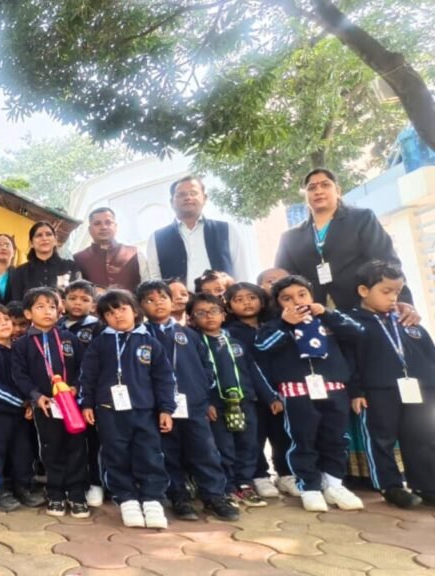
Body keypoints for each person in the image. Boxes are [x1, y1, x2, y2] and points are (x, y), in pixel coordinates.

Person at [255, 275, 365, 512]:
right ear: (278, 303)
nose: (296, 301)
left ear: (311, 296)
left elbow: (357, 333)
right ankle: (310, 487)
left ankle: (334, 484)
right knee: (303, 439)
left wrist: (326, 313)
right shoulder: (274, 326)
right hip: (297, 391)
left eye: (301, 295)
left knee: (336, 438)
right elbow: (263, 347)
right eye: (287, 298)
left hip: (333, 387)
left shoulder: (328, 320)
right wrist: (286, 324)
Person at [137, 281, 238, 522]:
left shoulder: (191, 335)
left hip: (192, 404)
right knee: (167, 452)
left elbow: (207, 366)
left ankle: (214, 496)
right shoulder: (140, 336)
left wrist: (204, 396)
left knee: (204, 451)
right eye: (149, 300)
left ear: (172, 302)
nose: (158, 303)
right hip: (158, 408)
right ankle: (178, 496)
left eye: (162, 297)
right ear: (140, 307)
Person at [78, 290, 173, 529]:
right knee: (115, 454)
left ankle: (152, 499)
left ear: (135, 310)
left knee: (149, 454)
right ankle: (127, 499)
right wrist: (87, 403)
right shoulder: (100, 344)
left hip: (144, 410)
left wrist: (166, 408)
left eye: (122, 309)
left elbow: (164, 378)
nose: (117, 316)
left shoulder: (150, 342)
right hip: (109, 411)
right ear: (103, 319)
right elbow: (87, 376)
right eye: (110, 313)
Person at [275, 168, 420, 324]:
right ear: (306, 196)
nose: (318, 191)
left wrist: (402, 299)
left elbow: (386, 262)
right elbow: (282, 281)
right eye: (312, 187)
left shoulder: (361, 219)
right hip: (316, 318)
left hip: (364, 309)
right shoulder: (290, 238)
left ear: (338, 191)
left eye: (325, 185)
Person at [348, 261, 435, 509]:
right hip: (378, 390)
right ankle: (390, 486)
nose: (392, 297)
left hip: (421, 390)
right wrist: (356, 391)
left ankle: (426, 484)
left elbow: (429, 353)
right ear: (364, 290)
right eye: (385, 291)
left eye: (396, 292)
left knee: (423, 436)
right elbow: (350, 360)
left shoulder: (407, 319)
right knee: (381, 439)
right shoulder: (352, 322)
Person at [188, 293, 284, 508]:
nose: (209, 317)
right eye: (201, 313)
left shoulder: (236, 343)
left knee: (248, 446)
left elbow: (254, 372)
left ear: (223, 314)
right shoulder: (196, 344)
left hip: (244, 403)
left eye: (214, 311)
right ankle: (228, 487)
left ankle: (245, 484)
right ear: (192, 320)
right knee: (224, 448)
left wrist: (270, 397)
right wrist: (205, 403)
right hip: (217, 405)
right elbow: (194, 377)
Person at [12, 287, 88, 519]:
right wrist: (36, 396)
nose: (48, 311)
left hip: (71, 404)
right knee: (51, 448)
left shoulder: (69, 338)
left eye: (52, 307)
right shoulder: (22, 344)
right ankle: (55, 492)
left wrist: (75, 386)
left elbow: (84, 368)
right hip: (46, 405)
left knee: (76, 447)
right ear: (27, 314)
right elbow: (19, 375)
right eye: (40, 306)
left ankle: (76, 494)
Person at [223, 282, 293, 498]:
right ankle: (259, 475)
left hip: (280, 387)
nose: (246, 302)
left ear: (262, 301)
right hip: (251, 394)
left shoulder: (275, 324)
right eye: (239, 299)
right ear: (229, 306)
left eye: (251, 297)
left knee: (282, 433)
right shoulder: (229, 333)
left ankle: (286, 473)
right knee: (254, 436)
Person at [0, 303, 43, 512]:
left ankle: (23, 487)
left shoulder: (18, 349)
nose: (5, 324)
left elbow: (25, 379)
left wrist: (31, 402)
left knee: (22, 451)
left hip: (21, 414)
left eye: (6, 320)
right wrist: (20, 402)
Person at [146, 176, 249, 290]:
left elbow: (240, 272)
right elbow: (155, 279)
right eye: (181, 194)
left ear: (204, 198)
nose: (188, 197)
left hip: (222, 303)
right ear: (172, 202)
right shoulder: (157, 238)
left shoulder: (226, 230)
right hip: (181, 306)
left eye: (193, 193)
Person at [56, 280, 103, 507]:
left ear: (93, 305)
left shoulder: (97, 327)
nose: (77, 303)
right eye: (73, 298)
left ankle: (95, 482)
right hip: (60, 394)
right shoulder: (56, 327)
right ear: (63, 302)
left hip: (87, 393)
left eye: (85, 299)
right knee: (65, 440)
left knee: (91, 439)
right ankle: (67, 481)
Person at [73, 207, 147, 292]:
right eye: (97, 223)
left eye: (108, 222)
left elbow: (147, 288)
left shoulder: (135, 254)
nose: (103, 227)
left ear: (115, 226)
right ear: (89, 230)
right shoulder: (78, 259)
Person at [10, 221, 81, 297]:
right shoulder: (21, 271)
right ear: (31, 244)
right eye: (39, 235)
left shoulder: (70, 267)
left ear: (55, 241)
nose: (44, 238)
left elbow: (77, 297)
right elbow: (15, 303)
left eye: (48, 234)